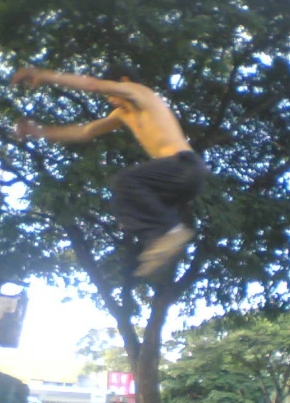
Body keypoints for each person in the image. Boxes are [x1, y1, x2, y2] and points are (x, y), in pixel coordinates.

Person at [11, 64, 208, 277]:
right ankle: (161, 240)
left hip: (185, 167)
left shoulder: (141, 93)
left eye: (110, 92)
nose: (108, 98)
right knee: (121, 200)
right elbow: (86, 131)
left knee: (126, 181)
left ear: (123, 81)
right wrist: (36, 131)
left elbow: (92, 85)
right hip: (172, 186)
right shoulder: (121, 115)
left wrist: (43, 75)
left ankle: (169, 231)